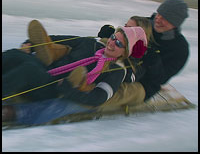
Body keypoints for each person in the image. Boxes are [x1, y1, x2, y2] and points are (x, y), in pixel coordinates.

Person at [2, 20, 148, 122]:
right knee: (17, 55)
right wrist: (30, 45)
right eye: (112, 37)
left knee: (29, 69)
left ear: (126, 52)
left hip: (54, 90)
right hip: (45, 71)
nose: (111, 43)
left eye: (118, 43)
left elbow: (99, 97)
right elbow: (53, 39)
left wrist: (67, 90)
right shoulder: (90, 44)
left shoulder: (116, 71)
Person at [99, 0, 189, 112]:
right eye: (159, 14)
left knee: (116, 93)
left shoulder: (180, 49)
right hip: (120, 64)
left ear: (175, 24)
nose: (158, 19)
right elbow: (121, 39)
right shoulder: (144, 24)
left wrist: (152, 60)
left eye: (165, 18)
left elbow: (160, 79)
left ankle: (84, 100)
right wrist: (109, 35)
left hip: (143, 84)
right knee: (99, 45)